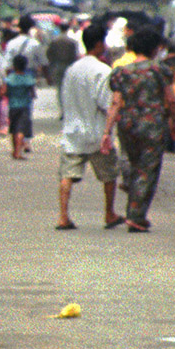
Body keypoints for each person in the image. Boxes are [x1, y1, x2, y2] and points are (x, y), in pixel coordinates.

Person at [100, 25, 175, 232]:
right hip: (152, 125)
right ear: (155, 48)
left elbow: (115, 103)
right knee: (148, 170)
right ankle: (136, 216)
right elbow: (171, 100)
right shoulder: (159, 70)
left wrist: (106, 132)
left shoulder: (121, 72)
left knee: (133, 163)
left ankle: (132, 199)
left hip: (127, 124)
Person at [56, 22, 124, 230]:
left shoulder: (72, 69)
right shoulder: (102, 70)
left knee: (67, 174)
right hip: (96, 132)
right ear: (98, 44)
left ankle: (63, 216)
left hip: (73, 132)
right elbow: (107, 103)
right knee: (109, 174)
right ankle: (109, 213)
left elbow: (64, 98)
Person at [3, 14, 48, 149]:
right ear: (31, 28)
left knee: (13, 107)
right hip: (28, 74)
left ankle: (16, 138)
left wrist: (7, 80)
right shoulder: (35, 44)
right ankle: (25, 139)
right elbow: (43, 62)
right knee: (27, 108)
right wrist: (47, 77)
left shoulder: (11, 43)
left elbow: (6, 65)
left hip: (13, 74)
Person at [2, 53, 35, 161]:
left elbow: (4, 92)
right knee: (21, 130)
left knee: (14, 128)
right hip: (24, 106)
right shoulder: (28, 78)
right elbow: (33, 93)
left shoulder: (9, 78)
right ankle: (17, 152)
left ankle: (14, 150)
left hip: (12, 106)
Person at [45, 21, 79, 119]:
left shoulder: (54, 41)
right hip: (69, 66)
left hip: (57, 66)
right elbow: (75, 55)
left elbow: (49, 54)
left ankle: (63, 110)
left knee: (60, 89)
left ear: (59, 28)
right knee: (69, 88)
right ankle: (69, 111)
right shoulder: (72, 42)